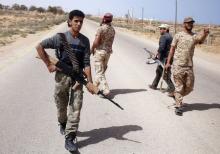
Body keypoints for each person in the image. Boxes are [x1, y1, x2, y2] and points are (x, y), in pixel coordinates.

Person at [36, 10, 93, 152]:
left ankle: (70, 138)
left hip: (78, 79)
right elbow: (39, 46)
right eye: (76, 21)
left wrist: (90, 82)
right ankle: (62, 123)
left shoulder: (85, 40)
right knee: (61, 105)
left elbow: (86, 62)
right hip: (61, 77)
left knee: (76, 108)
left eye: (81, 21)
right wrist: (48, 64)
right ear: (69, 21)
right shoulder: (60, 38)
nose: (79, 24)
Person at [165, 17, 209, 116]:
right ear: (184, 24)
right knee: (179, 87)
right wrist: (168, 62)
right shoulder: (178, 35)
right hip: (178, 65)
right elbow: (171, 50)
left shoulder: (194, 36)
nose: (190, 24)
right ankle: (178, 106)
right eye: (188, 23)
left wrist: (205, 33)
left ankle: (176, 95)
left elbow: (200, 40)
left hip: (189, 66)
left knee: (190, 86)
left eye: (192, 23)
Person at [91, 13, 115, 96]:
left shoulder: (100, 29)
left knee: (99, 71)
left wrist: (92, 48)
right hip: (108, 53)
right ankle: (94, 86)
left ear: (104, 19)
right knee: (101, 70)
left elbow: (96, 42)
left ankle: (105, 89)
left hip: (100, 52)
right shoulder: (112, 30)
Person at [149, 24, 175, 95]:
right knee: (158, 71)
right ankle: (154, 85)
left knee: (164, 74)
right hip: (168, 57)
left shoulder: (163, 37)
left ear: (166, 29)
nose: (160, 30)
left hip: (164, 58)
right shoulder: (170, 36)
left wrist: (156, 55)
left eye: (161, 29)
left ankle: (172, 88)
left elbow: (161, 48)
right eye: (160, 29)